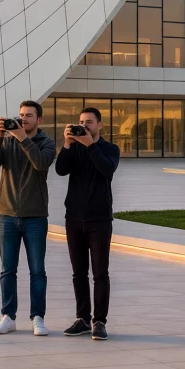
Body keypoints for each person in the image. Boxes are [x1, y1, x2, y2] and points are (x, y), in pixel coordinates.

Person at [0, 100, 56, 337]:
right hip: (6, 214)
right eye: (21, 115)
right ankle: (8, 316)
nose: (23, 119)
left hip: (35, 216)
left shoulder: (46, 143)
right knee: (7, 269)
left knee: (37, 270)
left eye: (29, 115)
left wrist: (23, 138)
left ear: (39, 120)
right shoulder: (7, 141)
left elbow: (41, 163)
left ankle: (38, 317)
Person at [55, 106, 119, 340]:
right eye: (81, 122)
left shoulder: (110, 149)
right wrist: (68, 144)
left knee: (100, 273)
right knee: (78, 272)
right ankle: (82, 318)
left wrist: (89, 144)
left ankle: (99, 321)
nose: (84, 126)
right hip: (73, 218)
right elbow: (61, 170)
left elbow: (107, 169)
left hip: (100, 219)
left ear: (99, 125)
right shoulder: (74, 149)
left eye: (89, 122)